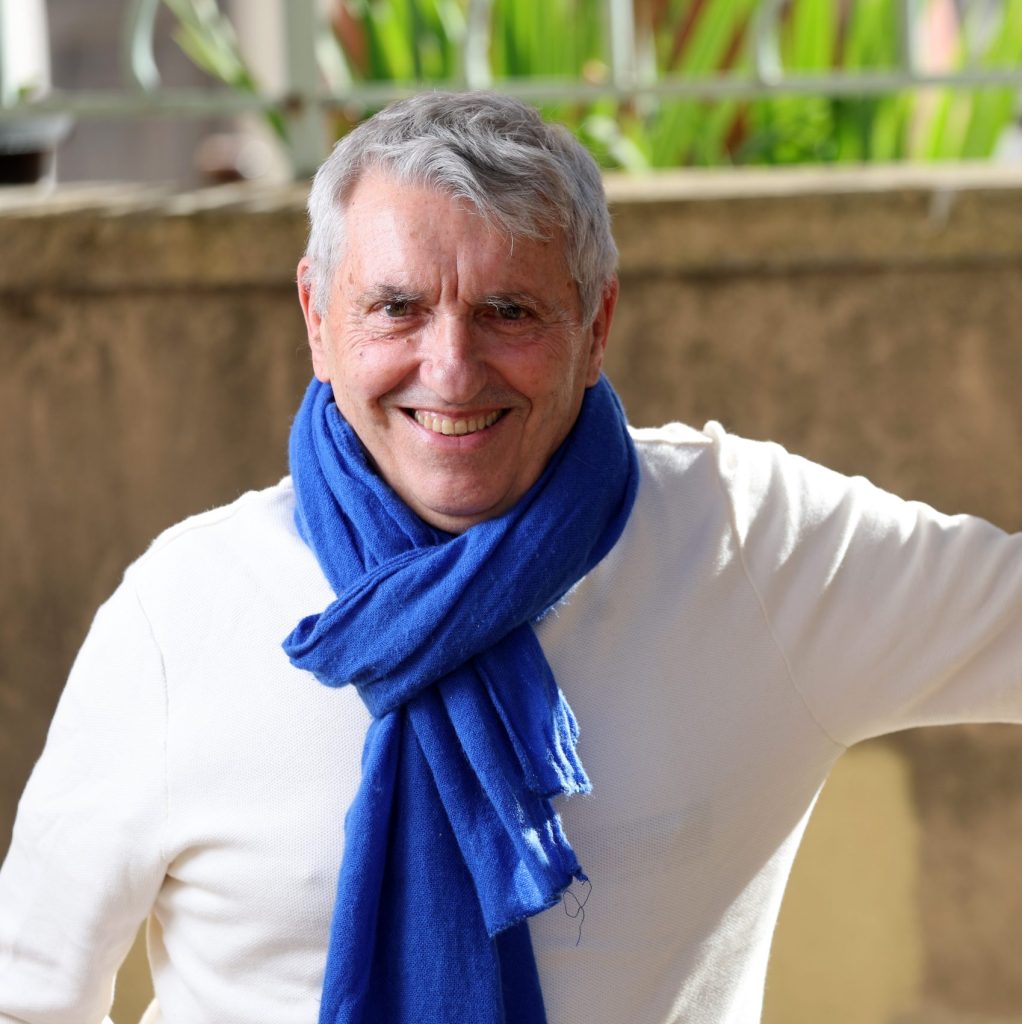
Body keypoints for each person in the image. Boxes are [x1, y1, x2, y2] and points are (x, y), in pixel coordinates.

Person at [2, 91, 1022, 1024]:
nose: (450, 371)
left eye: (508, 312)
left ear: (595, 325)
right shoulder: (182, 607)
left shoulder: (748, 545)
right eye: (396, 307)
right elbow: (30, 992)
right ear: (317, 317)